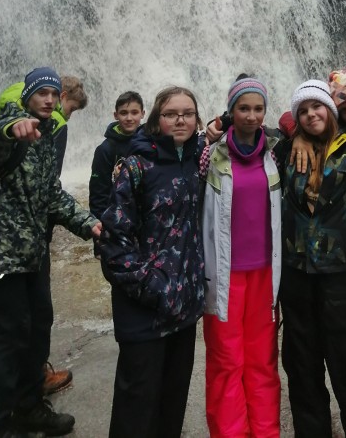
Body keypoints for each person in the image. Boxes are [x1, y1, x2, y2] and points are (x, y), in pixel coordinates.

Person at [0, 67, 101, 438]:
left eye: (54, 94)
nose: (49, 100)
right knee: (8, 337)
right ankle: (0, 422)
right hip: (1, 255)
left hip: (34, 252)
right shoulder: (9, 127)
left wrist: (90, 224)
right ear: (27, 96)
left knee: (38, 328)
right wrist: (11, 128)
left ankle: (30, 407)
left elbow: (52, 194)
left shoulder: (48, 135)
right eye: (42, 93)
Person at [275, 79, 346, 438]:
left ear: (330, 109)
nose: (311, 115)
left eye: (317, 107)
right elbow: (247, 131)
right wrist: (294, 132)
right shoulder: (285, 149)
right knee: (302, 368)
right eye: (303, 111)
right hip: (296, 274)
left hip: (343, 275)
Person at [99, 86, 206, 438]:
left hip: (184, 307)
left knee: (172, 404)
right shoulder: (135, 166)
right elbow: (113, 241)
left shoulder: (198, 159)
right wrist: (151, 286)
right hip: (144, 308)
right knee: (136, 408)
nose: (180, 120)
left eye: (187, 113)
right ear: (157, 119)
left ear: (197, 119)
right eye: (171, 114)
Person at [201, 75, 281, 437]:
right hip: (224, 275)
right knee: (226, 361)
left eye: (258, 108)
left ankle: (266, 432)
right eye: (244, 108)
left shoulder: (276, 152)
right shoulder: (210, 155)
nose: (251, 116)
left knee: (263, 360)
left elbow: (319, 122)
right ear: (231, 111)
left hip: (265, 273)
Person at [88, 91, 145, 220]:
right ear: (116, 115)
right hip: (117, 218)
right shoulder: (105, 150)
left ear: (142, 114)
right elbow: (98, 193)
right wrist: (100, 224)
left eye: (134, 112)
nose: (129, 118)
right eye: (124, 113)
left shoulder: (151, 142)